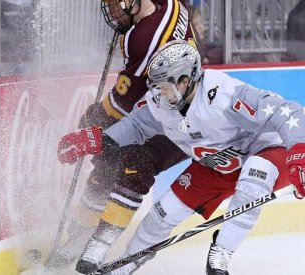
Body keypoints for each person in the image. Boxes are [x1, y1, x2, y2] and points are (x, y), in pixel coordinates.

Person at [57, 40, 305, 274]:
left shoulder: (224, 96)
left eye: (165, 88)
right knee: (162, 215)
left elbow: (287, 111)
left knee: (254, 178)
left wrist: (300, 149)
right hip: (218, 163)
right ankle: (125, 265)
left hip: (265, 152)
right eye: (156, 88)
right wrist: (100, 140)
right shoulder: (164, 105)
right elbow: (137, 126)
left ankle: (221, 254)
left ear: (186, 80)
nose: (159, 95)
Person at [48, 0, 197, 273]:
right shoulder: (170, 5)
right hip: (156, 107)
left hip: (183, 121)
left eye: (116, 4)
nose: (113, 11)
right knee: (106, 160)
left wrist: (96, 115)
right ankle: (79, 236)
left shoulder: (144, 38)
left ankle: (100, 243)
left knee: (136, 164)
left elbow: (123, 103)